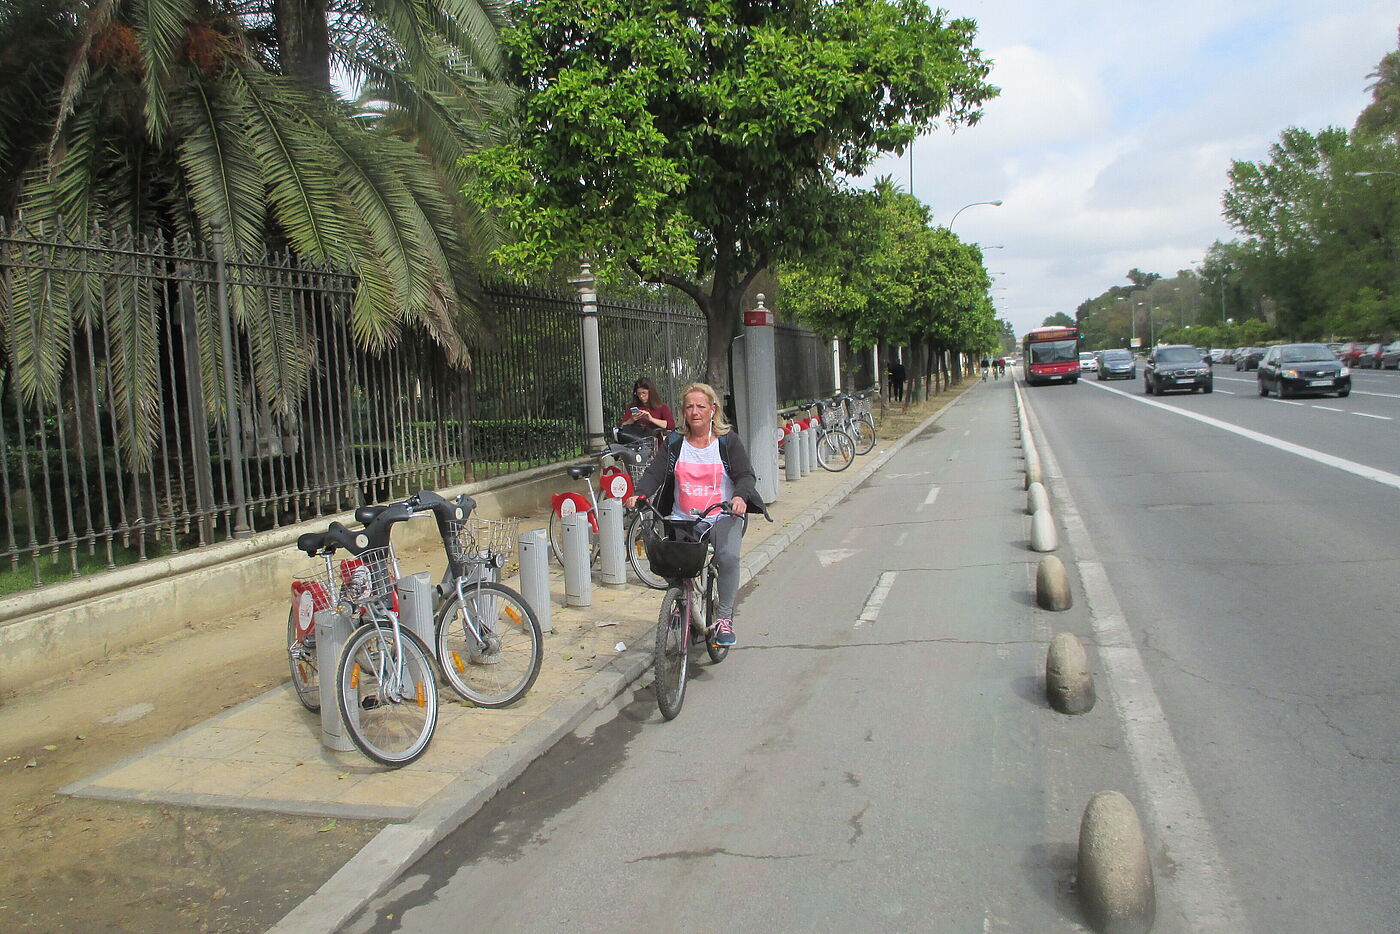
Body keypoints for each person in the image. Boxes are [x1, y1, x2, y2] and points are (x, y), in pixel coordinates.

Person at [625, 382, 766, 647]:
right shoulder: (676, 443)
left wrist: (739, 497)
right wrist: (640, 493)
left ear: (713, 409)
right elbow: (655, 472)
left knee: (726, 556)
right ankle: (681, 600)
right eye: (689, 406)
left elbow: (745, 475)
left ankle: (724, 619)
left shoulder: (727, 441)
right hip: (683, 518)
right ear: (683, 411)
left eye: (701, 406)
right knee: (667, 559)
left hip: (723, 516)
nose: (695, 411)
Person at [617, 378, 674, 443]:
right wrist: (632, 420)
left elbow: (670, 425)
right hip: (637, 443)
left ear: (650, 392)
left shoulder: (662, 407)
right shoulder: (632, 407)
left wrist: (651, 419)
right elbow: (622, 426)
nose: (641, 396)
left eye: (644, 393)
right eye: (638, 393)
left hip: (655, 444)